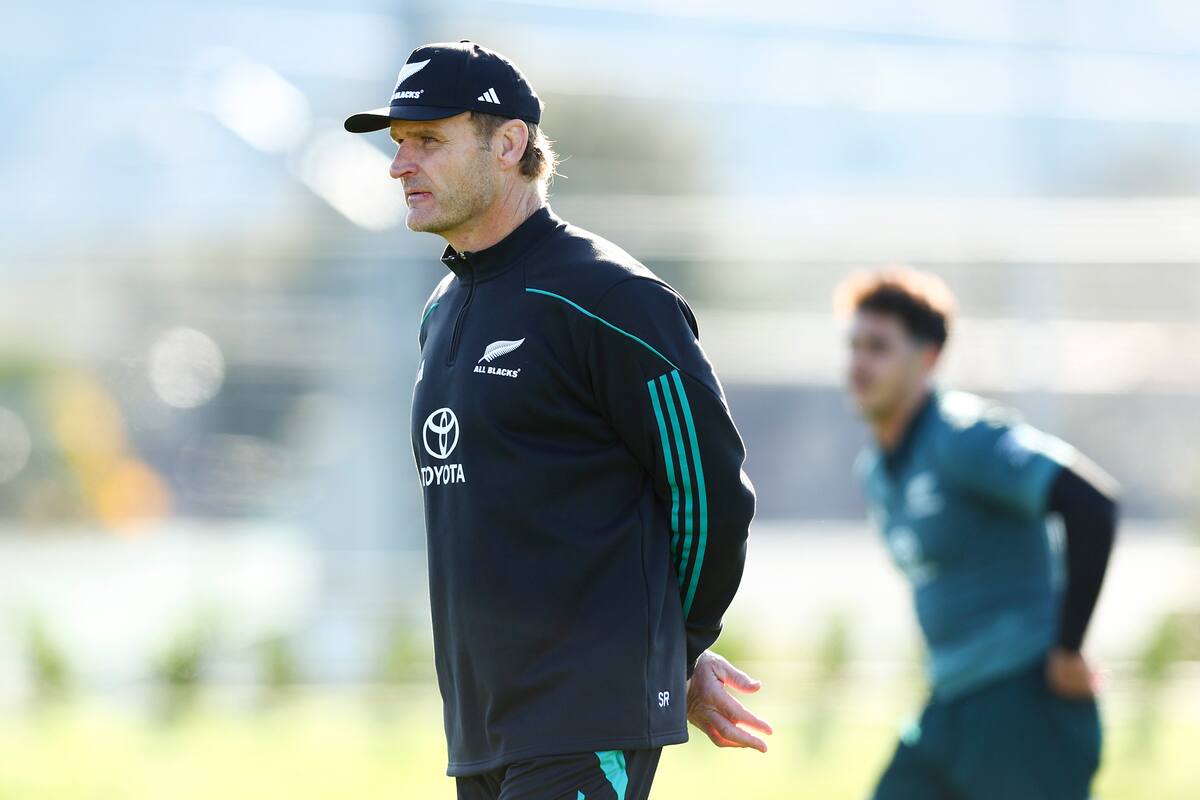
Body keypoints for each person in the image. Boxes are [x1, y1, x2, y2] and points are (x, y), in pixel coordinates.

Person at [344, 40, 770, 799]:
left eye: (429, 141)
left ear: (509, 143)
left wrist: (675, 647)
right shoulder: (442, 312)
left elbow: (711, 497)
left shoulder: (610, 298)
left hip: (582, 723)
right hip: (481, 734)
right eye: (399, 144)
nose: (400, 165)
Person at [842, 268, 1117, 799]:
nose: (858, 363)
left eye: (878, 347)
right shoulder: (876, 469)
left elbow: (1091, 503)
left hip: (1021, 702)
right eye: (853, 345)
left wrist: (1068, 647)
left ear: (928, 358)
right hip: (949, 703)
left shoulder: (963, 437)